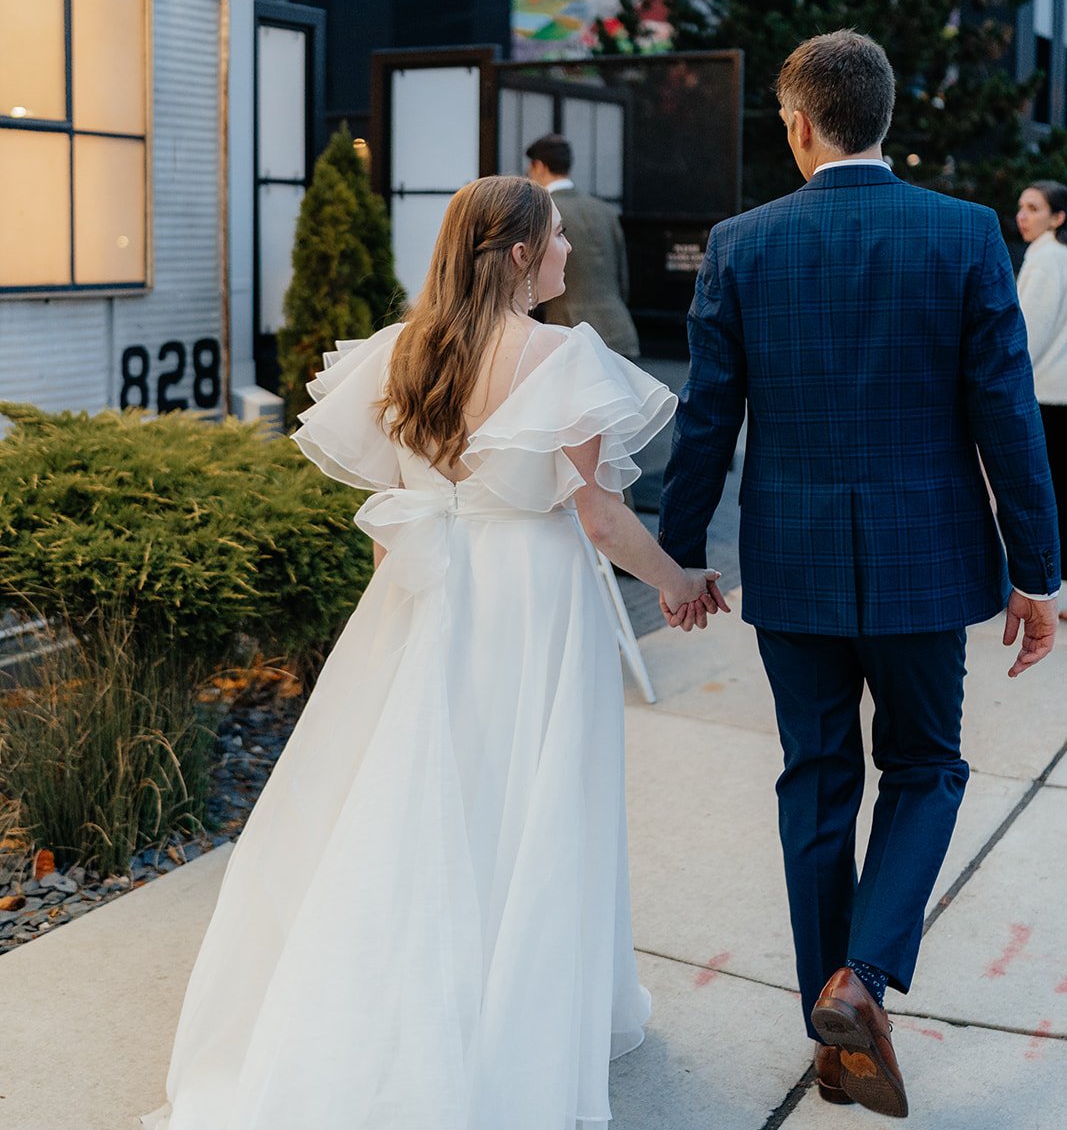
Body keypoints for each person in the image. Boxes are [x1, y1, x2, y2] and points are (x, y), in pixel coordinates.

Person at [141, 175, 723, 1130]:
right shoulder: (558, 354)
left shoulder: (399, 353)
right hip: (531, 601)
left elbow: (389, 517)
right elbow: (599, 513)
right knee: (529, 797)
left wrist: (408, 605)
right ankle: (512, 1024)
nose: (570, 254)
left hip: (425, 591)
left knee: (415, 792)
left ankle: (404, 1005)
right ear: (522, 254)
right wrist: (674, 581)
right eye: (556, 241)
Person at [658, 31, 1059, 1119]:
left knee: (816, 776)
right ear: (883, 117)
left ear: (796, 123)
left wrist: (681, 553)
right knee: (925, 764)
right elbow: (1005, 417)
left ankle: (832, 1035)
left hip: (790, 567)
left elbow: (706, 420)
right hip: (929, 562)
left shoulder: (741, 243)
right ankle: (862, 981)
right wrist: (1039, 572)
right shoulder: (964, 233)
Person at [525, 133, 641, 357]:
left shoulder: (543, 211)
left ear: (538, 166)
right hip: (619, 330)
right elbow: (623, 279)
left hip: (569, 329)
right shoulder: (604, 210)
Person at [1016, 180, 1067, 622]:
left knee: (1047, 494)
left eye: (1034, 208)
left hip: (1047, 396)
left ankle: (1052, 589)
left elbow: (1027, 336)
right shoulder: (1053, 257)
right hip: (1056, 393)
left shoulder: (1048, 259)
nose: (1023, 216)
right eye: (1021, 207)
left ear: (1058, 217)